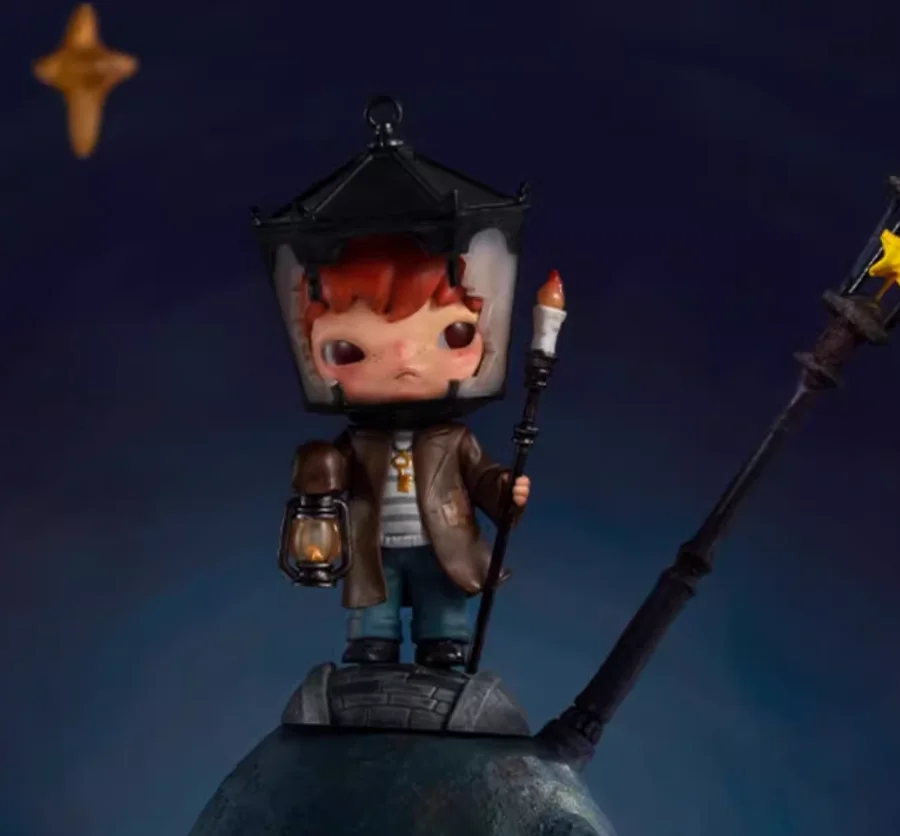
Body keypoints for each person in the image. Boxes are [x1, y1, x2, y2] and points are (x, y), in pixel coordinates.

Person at [291, 235, 530, 668]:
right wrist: (319, 473)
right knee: (374, 597)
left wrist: (505, 489)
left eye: (452, 335)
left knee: (440, 593)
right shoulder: (358, 440)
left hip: (439, 539)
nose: (404, 358)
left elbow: (480, 476)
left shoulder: (453, 438)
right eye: (349, 349)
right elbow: (328, 484)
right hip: (375, 541)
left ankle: (442, 638)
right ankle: (373, 639)